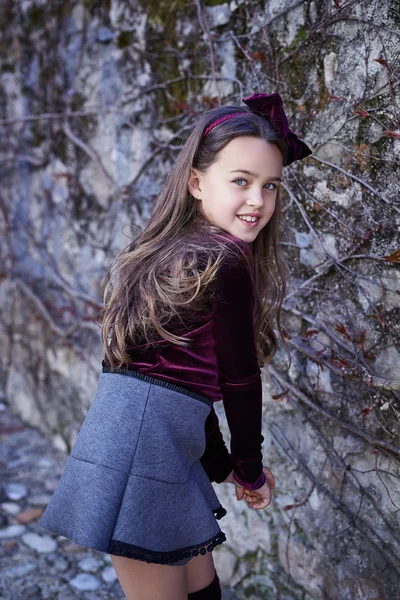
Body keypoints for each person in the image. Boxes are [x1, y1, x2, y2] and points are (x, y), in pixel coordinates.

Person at [39, 93, 311, 599]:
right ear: (195, 182)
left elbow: (178, 383)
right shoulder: (222, 258)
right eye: (240, 181)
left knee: (201, 586)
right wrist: (249, 469)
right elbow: (237, 379)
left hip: (154, 441)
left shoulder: (175, 255)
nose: (258, 200)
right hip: (142, 450)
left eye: (269, 186)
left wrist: (222, 466)